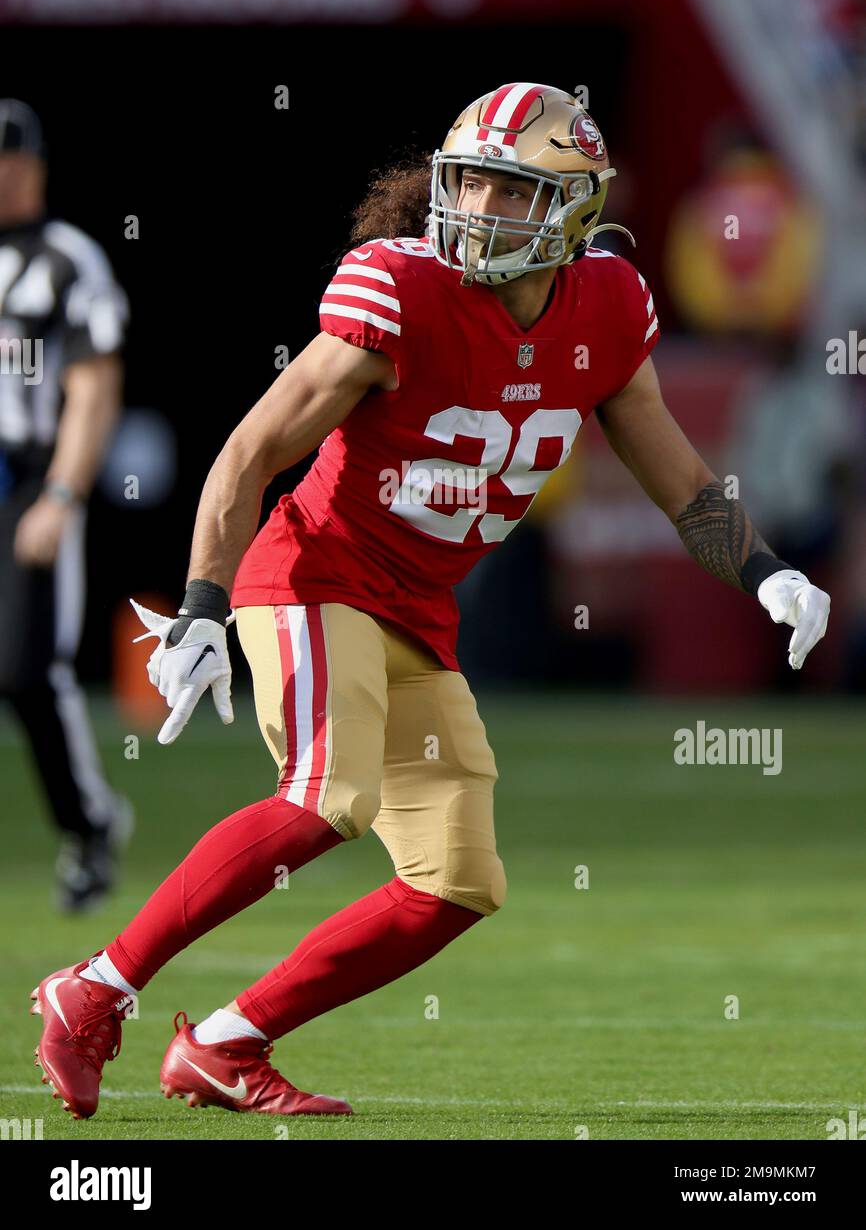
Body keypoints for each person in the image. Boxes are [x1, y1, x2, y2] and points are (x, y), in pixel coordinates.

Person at [29, 83, 830, 1120]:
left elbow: (677, 480)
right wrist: (200, 604)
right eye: (471, 185)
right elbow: (249, 450)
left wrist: (764, 569)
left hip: (417, 607)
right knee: (329, 795)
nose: (479, 212)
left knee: (456, 879)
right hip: (314, 574)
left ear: (572, 213)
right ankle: (93, 988)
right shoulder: (398, 294)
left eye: (511, 193)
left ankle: (226, 1043)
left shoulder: (603, 305)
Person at [0, 98, 133, 913]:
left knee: (23, 672)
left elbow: (94, 385)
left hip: (27, 482)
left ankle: (89, 824)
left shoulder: (65, 260)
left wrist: (61, 494)